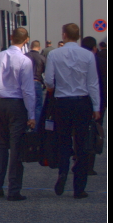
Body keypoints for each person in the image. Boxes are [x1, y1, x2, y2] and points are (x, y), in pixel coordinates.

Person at [43, 23, 101, 199]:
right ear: (78, 36)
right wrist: (97, 107)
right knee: (82, 143)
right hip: (82, 102)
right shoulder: (88, 55)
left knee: (63, 139)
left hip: (62, 103)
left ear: (64, 35)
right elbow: (93, 82)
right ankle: (79, 187)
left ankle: (62, 171)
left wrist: (55, 88)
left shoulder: (54, 54)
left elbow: (50, 82)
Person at [0, 27, 35, 201]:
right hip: (17, 104)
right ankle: (14, 189)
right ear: (26, 40)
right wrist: (32, 114)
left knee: (1, 144)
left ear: (11, 37)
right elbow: (28, 90)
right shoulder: (25, 61)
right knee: (16, 147)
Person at [79, 36, 104, 177]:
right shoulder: (101, 62)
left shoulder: (78, 60)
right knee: (93, 133)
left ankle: (77, 158)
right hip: (97, 103)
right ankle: (89, 165)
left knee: (78, 131)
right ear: (94, 48)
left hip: (79, 101)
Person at [26, 40, 47, 125]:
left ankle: (27, 125)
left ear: (31, 46)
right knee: (38, 106)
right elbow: (46, 71)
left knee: (27, 104)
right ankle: (36, 127)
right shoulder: (42, 58)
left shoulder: (25, 56)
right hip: (37, 81)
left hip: (27, 83)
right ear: (39, 47)